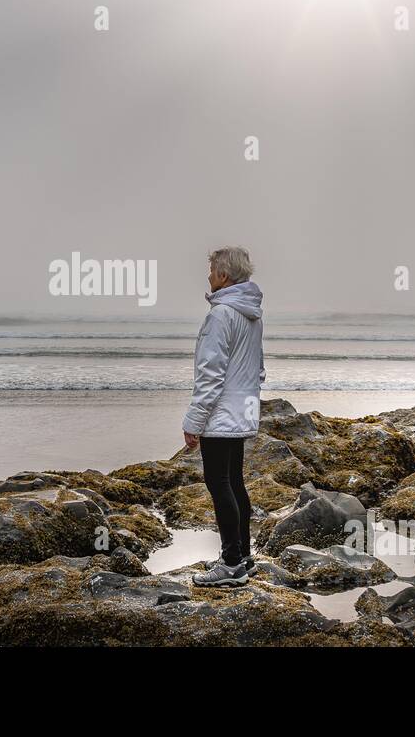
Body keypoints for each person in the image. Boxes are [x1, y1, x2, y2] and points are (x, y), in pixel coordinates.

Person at [182, 246, 265, 587]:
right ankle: (243, 556)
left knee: (219, 484)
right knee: (235, 482)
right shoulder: (250, 313)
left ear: (223, 275)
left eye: (212, 269)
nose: (208, 275)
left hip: (220, 414)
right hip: (241, 411)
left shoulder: (221, 315)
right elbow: (258, 369)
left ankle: (231, 565)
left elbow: (210, 374)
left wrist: (194, 421)